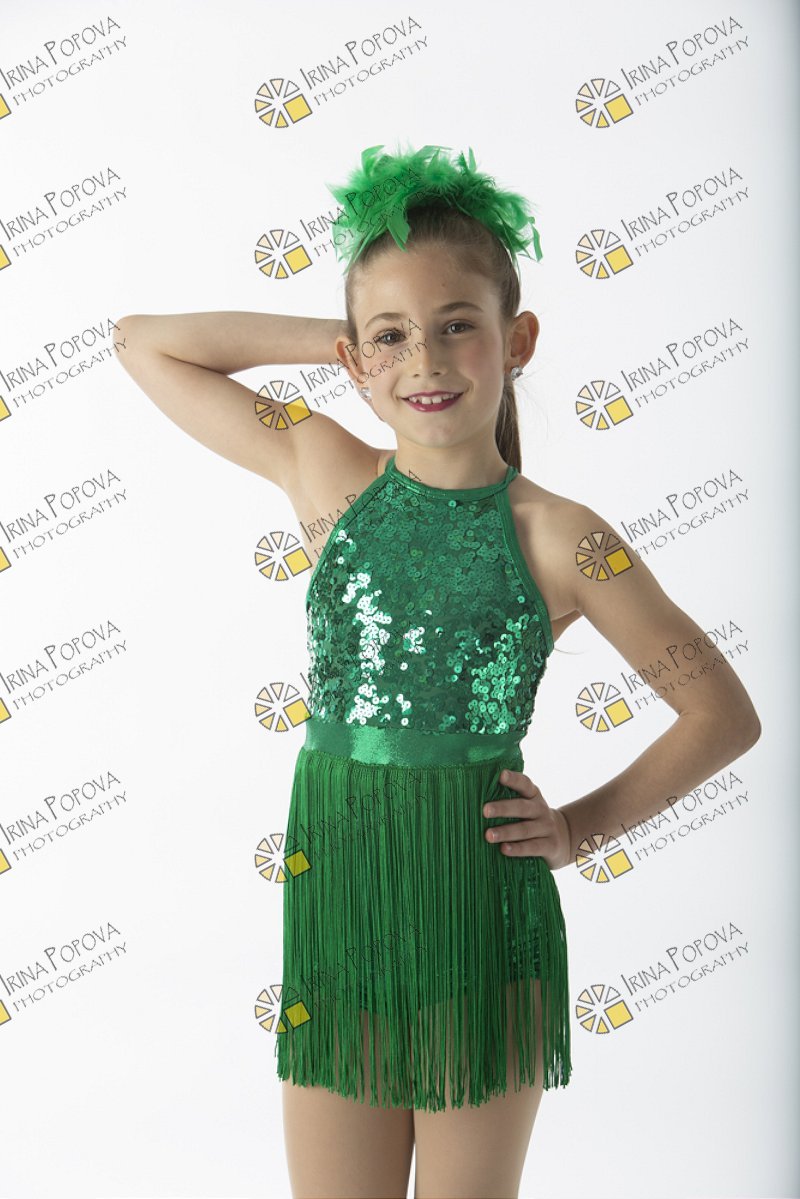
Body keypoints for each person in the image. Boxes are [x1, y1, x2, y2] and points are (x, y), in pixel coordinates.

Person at [113, 142, 761, 1199]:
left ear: (518, 339)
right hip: (339, 923)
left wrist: (578, 828)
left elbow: (720, 713)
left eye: (457, 325)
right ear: (357, 358)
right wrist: (342, 348)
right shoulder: (329, 474)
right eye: (392, 337)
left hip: (480, 925)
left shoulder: (562, 536)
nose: (425, 359)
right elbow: (144, 343)